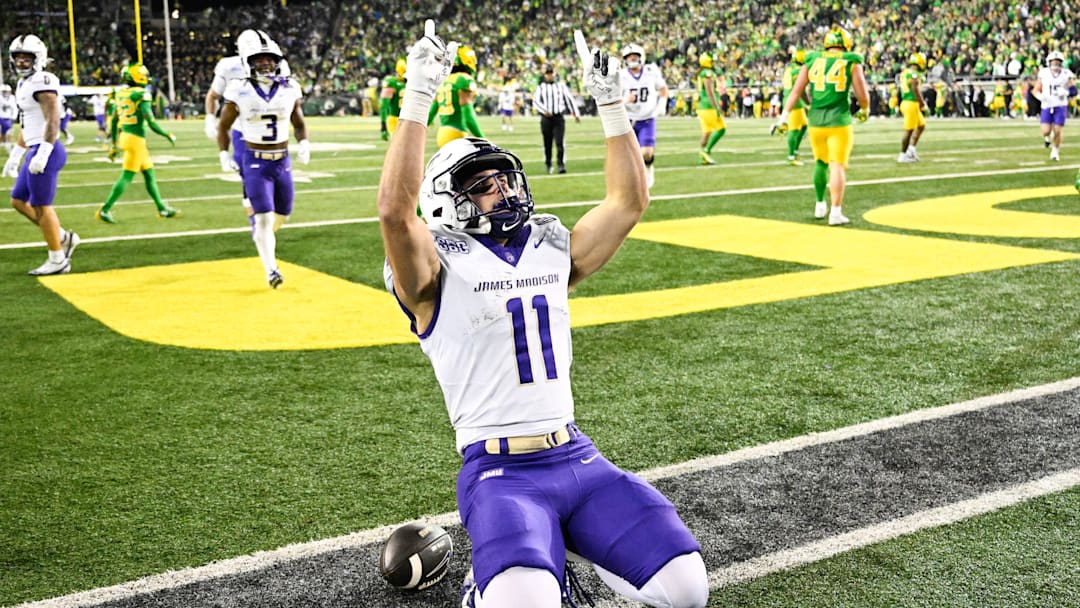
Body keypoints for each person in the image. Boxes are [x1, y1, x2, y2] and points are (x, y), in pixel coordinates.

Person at [378, 21, 708, 608]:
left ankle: (562, 545)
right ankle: (488, 584)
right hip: (500, 472)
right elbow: (394, 215)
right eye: (482, 185)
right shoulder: (433, 268)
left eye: (504, 179)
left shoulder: (547, 244)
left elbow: (629, 201)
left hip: (578, 456)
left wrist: (611, 104)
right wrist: (419, 94)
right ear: (446, 203)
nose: (503, 190)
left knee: (686, 591)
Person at [217, 31, 309, 289]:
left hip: (282, 161)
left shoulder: (289, 88)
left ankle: (260, 235)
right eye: (259, 59)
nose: (265, 63)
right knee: (264, 219)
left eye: (269, 59)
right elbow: (224, 126)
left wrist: (304, 142)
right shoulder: (239, 89)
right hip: (255, 161)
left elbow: (299, 121)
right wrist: (224, 153)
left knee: (283, 214)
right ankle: (272, 270)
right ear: (249, 62)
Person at [774, 27, 869, 226]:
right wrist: (865, 109)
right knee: (837, 165)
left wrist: (783, 117)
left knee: (820, 163)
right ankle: (835, 212)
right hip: (839, 120)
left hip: (815, 121)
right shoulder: (851, 60)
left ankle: (819, 204)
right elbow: (862, 94)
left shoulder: (812, 58)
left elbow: (795, 91)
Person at [2, 34, 80, 275]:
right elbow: (28, 124)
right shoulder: (23, 83)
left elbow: (53, 118)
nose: (21, 62)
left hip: (47, 149)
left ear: (39, 58)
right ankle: (62, 236)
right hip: (35, 147)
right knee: (18, 200)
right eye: (18, 57)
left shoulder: (43, 81)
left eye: (27, 58)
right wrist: (16, 155)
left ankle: (58, 259)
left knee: (40, 205)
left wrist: (44, 152)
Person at [205, 29, 292, 227]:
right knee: (249, 177)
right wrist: (210, 118)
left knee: (278, 192)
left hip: (271, 133)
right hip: (243, 130)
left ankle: (265, 220)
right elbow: (213, 95)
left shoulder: (279, 65)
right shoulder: (229, 66)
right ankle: (257, 222)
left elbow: (286, 94)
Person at [96, 63, 180, 223]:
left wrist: (114, 144)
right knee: (127, 176)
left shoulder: (120, 94)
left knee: (149, 173)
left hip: (126, 136)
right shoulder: (141, 95)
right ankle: (105, 210)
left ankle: (161, 208)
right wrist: (167, 134)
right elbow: (151, 122)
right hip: (136, 140)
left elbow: (114, 121)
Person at [620, 43, 668, 188]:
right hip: (628, 119)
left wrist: (661, 106)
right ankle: (635, 179)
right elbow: (613, 100)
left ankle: (648, 167)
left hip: (647, 118)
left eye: (634, 56)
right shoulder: (621, 75)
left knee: (646, 153)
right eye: (629, 57)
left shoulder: (651, 71)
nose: (632, 59)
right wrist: (625, 100)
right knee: (629, 156)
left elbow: (663, 89)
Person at [429, 45, 484, 147]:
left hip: (442, 133)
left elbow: (431, 113)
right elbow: (468, 119)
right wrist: (483, 139)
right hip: (456, 133)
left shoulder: (443, 80)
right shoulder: (463, 79)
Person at [532, 63, 580, 174]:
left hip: (558, 117)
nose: (549, 76)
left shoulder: (561, 86)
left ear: (554, 74)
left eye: (551, 73)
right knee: (547, 143)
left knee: (560, 142)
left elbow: (569, 99)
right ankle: (548, 164)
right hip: (546, 118)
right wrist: (544, 110)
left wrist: (575, 113)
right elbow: (535, 102)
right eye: (547, 74)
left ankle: (561, 164)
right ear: (545, 75)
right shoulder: (541, 87)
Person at [1034, 50, 1076, 162]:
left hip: (1060, 105)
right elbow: (1035, 89)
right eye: (1053, 62)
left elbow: (1074, 91)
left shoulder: (1066, 74)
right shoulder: (1044, 73)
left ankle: (1055, 151)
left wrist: (1066, 92)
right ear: (1049, 62)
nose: (1055, 64)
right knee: (1045, 131)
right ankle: (1047, 138)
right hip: (1047, 105)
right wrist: (1040, 96)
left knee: (1058, 130)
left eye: (1058, 62)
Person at [773, 48, 808, 166]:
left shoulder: (790, 68)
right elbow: (801, 90)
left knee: (804, 125)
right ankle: (791, 156)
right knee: (794, 129)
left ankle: (795, 150)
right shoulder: (799, 70)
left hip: (791, 99)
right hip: (795, 102)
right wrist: (808, 102)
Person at [695, 52, 725, 165]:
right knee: (721, 128)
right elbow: (710, 91)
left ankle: (701, 156)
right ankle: (706, 151)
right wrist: (716, 106)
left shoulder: (701, 73)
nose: (714, 63)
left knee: (707, 132)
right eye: (712, 61)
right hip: (708, 106)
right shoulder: (708, 73)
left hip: (702, 106)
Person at [897, 52, 927, 163]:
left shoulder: (905, 72)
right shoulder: (914, 74)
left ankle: (911, 150)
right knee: (909, 130)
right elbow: (915, 88)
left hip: (907, 102)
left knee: (921, 125)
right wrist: (922, 103)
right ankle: (903, 155)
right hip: (911, 103)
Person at [379, 58, 406, 141]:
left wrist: (383, 125)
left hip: (397, 119)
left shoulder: (391, 82)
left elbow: (383, 106)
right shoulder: (411, 83)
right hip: (404, 119)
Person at [0, 84, 18, 152]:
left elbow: (15, 108)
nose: (5, 93)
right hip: (1, 117)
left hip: (8, 118)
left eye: (6, 91)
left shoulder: (12, 98)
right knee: (1, 135)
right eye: (4, 91)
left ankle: (8, 149)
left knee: (8, 134)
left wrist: (14, 117)